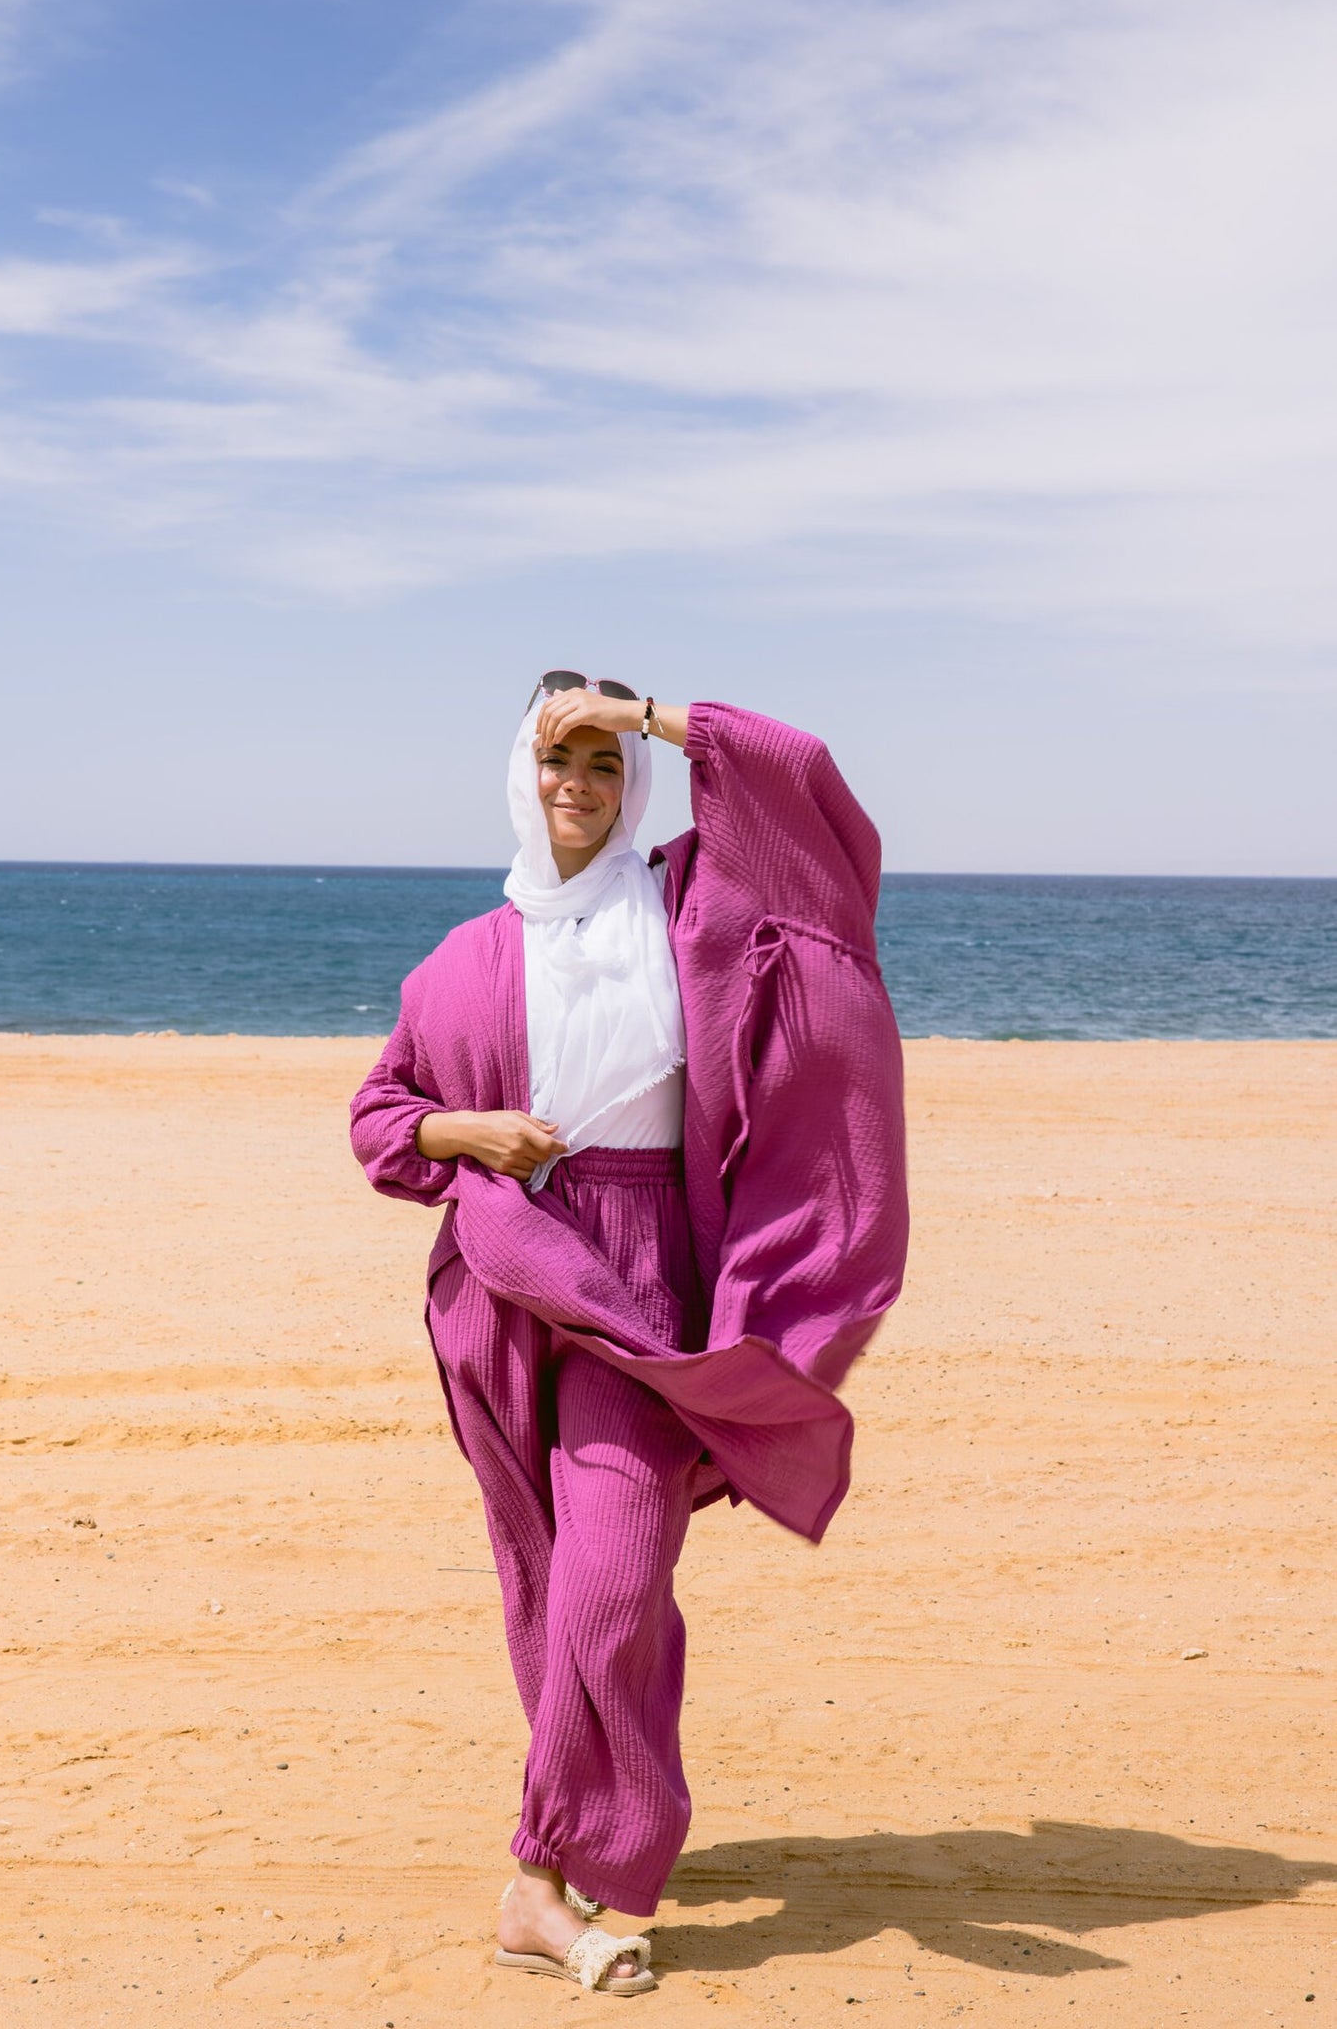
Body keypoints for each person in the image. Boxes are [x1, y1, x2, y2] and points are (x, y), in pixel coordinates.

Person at [350, 676, 908, 1996]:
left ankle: (536, 1880)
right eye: (556, 763)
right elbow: (378, 1118)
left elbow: (807, 789)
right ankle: (598, 1827)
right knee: (548, 1577)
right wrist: (468, 1132)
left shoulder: (691, 908)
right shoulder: (464, 959)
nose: (578, 785)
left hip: (644, 1281)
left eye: (603, 762)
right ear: (517, 777)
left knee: (615, 1567)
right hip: (503, 1282)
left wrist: (648, 707)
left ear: (633, 780)